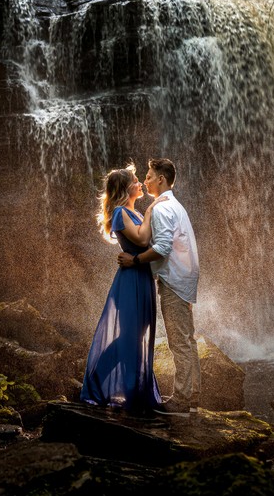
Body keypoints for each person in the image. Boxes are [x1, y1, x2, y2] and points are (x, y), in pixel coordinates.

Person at [80, 163, 168, 415]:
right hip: (130, 281)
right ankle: (117, 388)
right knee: (130, 336)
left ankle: (128, 388)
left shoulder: (136, 214)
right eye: (135, 180)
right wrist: (153, 208)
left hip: (142, 277)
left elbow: (151, 242)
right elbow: (141, 240)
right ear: (125, 188)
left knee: (135, 334)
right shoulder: (121, 213)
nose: (141, 183)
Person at [118, 158, 201, 414]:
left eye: (149, 176)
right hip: (183, 278)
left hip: (174, 280)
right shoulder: (172, 204)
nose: (145, 180)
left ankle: (182, 399)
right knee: (187, 339)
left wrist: (135, 260)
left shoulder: (163, 208)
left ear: (161, 179)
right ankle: (192, 394)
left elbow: (163, 248)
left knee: (179, 342)